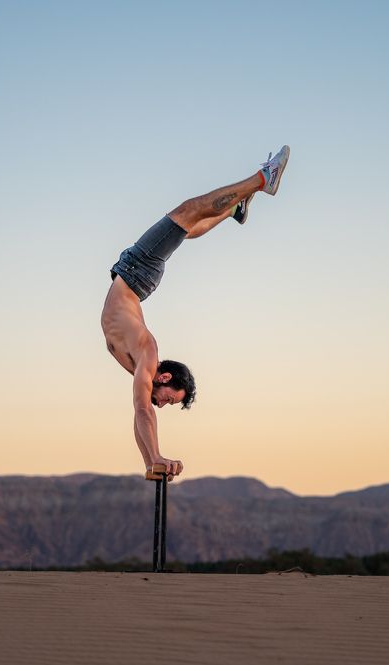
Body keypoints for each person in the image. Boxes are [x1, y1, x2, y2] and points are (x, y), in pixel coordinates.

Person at [100, 146, 291, 481]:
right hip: (138, 270)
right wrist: (156, 455)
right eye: (170, 400)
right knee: (188, 212)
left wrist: (151, 462)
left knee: (186, 224)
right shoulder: (147, 352)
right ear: (163, 377)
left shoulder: (140, 363)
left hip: (136, 276)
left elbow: (141, 411)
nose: (163, 406)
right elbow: (145, 410)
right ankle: (261, 181)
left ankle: (241, 204)